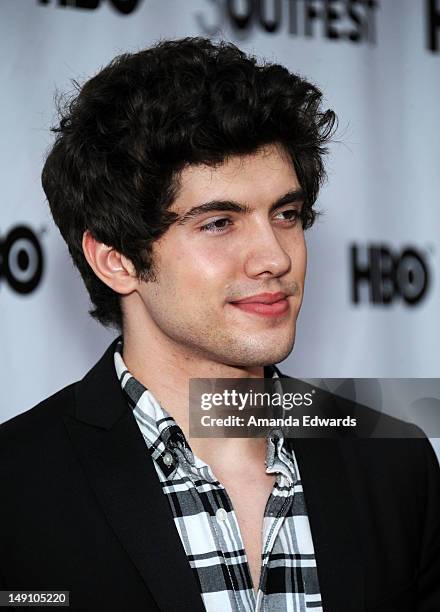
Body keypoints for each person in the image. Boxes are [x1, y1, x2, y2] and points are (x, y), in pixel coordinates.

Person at [0, 37, 439, 612]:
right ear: (116, 259)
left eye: (286, 215)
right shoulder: (16, 485)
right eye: (218, 223)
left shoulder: (392, 462)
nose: (275, 258)